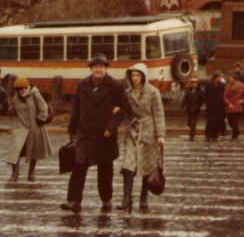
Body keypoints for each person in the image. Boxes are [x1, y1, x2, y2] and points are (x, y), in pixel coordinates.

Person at [61, 53, 130, 214]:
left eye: (101, 66)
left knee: (105, 170)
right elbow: (76, 108)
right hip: (85, 133)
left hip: (105, 135)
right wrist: (72, 129)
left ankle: (106, 199)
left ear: (106, 68)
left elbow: (124, 109)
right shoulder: (83, 85)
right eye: (95, 66)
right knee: (78, 166)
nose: (98, 69)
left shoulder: (115, 86)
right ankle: (74, 200)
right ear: (91, 68)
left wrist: (111, 127)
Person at [118, 63, 166, 213]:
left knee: (147, 165)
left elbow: (158, 114)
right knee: (128, 165)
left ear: (144, 76)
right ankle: (127, 198)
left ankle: (143, 197)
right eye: (132, 75)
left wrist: (160, 135)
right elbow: (126, 112)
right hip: (132, 131)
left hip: (148, 132)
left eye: (138, 75)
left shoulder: (153, 92)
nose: (135, 78)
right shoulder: (127, 92)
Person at [6, 77, 52, 183]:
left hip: (34, 128)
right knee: (15, 151)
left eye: (23, 88)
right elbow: (12, 109)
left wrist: (40, 119)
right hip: (21, 128)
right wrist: (10, 110)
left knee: (34, 151)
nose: (21, 91)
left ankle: (31, 173)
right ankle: (15, 173)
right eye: (19, 89)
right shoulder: (15, 97)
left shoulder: (35, 94)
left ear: (27, 87)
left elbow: (43, 107)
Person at [223, 73, 244, 139]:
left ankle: (234, 135)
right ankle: (236, 131)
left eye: (231, 79)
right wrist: (228, 103)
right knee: (230, 121)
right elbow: (225, 96)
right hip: (229, 107)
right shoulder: (227, 86)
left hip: (237, 107)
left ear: (234, 79)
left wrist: (243, 100)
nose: (229, 80)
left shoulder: (241, 85)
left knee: (235, 122)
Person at [203, 71, 226, 141]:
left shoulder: (222, 85)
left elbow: (224, 95)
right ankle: (207, 135)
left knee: (217, 122)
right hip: (210, 106)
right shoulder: (209, 85)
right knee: (209, 122)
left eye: (219, 77)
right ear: (215, 78)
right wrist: (207, 103)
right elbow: (205, 95)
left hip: (219, 107)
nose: (219, 79)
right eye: (218, 77)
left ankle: (214, 136)